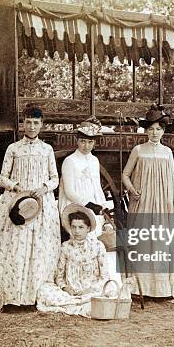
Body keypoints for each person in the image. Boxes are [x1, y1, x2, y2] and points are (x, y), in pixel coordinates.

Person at [0, 105, 61, 306]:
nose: (31, 126)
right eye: (28, 122)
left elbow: (55, 178)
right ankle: (12, 294)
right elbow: (2, 177)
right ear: (23, 123)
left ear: (41, 124)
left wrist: (45, 188)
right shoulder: (14, 149)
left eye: (36, 123)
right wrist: (14, 186)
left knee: (39, 246)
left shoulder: (46, 150)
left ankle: (34, 293)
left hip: (39, 203)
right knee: (14, 245)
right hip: (17, 202)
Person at [122, 104, 174, 297]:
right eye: (151, 129)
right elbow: (125, 175)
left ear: (163, 131)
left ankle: (161, 289)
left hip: (163, 201)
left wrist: (173, 203)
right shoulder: (138, 150)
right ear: (146, 130)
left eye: (158, 129)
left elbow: (172, 181)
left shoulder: (167, 152)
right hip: (143, 201)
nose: (154, 133)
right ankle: (141, 288)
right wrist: (132, 190)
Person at [58, 116, 120, 284]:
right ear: (78, 141)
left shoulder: (94, 160)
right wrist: (89, 205)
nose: (86, 146)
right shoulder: (70, 161)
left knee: (99, 239)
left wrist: (102, 207)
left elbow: (96, 186)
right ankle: (79, 279)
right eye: (83, 141)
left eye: (90, 142)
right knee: (82, 234)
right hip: (76, 205)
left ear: (94, 143)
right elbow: (70, 191)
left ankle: (98, 279)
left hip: (93, 204)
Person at [37, 204, 109, 317]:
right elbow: (59, 276)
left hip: (91, 290)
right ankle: (77, 303)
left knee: (110, 290)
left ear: (88, 228)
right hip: (70, 292)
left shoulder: (98, 246)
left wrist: (89, 290)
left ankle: (83, 303)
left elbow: (104, 277)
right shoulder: (65, 247)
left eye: (81, 227)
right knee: (44, 290)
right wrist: (65, 288)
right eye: (74, 227)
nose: (77, 231)